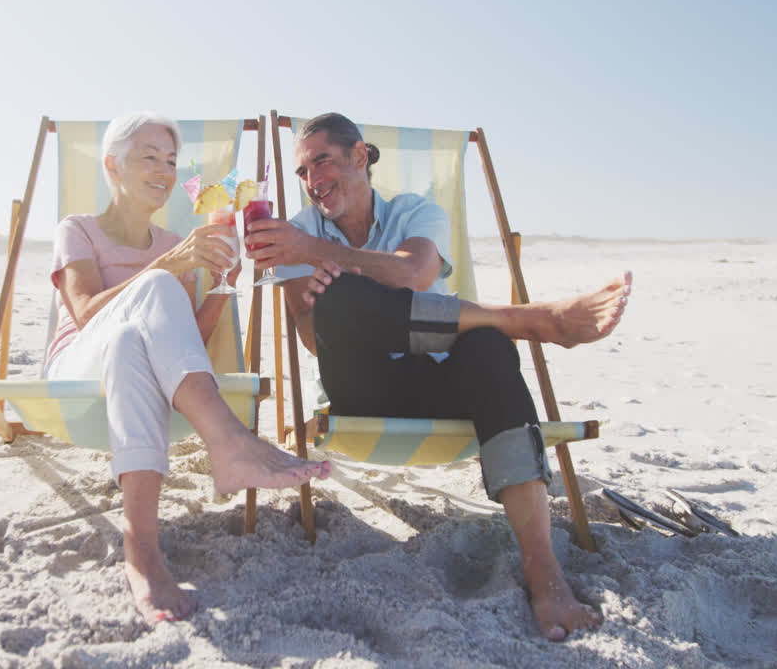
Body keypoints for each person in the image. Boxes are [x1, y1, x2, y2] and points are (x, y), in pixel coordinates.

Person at [245, 112, 631, 642]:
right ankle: (523, 320)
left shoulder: (416, 212)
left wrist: (319, 257)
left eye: (323, 162)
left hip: (437, 378)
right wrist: (332, 291)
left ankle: (544, 572)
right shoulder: (296, 230)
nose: (312, 180)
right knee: (341, 297)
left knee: (489, 349)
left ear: (359, 156)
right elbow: (314, 339)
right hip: (363, 388)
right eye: (303, 171)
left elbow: (413, 273)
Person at [44, 111, 331, 626]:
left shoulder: (170, 242)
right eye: (149, 157)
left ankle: (142, 554)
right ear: (112, 166)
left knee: (130, 342)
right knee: (147, 296)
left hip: (137, 377)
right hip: (75, 371)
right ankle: (229, 439)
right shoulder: (78, 230)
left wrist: (224, 283)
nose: (164, 170)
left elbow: (180, 347)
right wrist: (169, 266)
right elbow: (84, 313)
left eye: (171, 160)